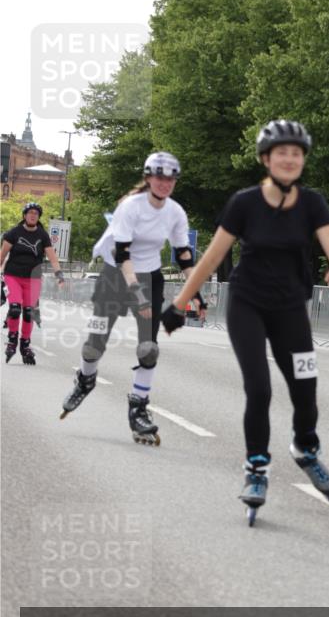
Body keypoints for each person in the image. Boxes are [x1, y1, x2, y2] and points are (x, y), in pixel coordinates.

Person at [161, 119, 329, 521]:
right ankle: (256, 469)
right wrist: (179, 304)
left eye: (296, 153)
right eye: (282, 153)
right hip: (247, 305)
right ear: (266, 158)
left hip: (291, 309)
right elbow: (212, 258)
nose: (289, 159)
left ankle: (305, 448)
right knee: (259, 389)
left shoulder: (312, 203)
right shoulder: (244, 203)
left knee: (306, 388)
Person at [60, 152, 203, 445]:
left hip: (150, 276)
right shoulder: (131, 207)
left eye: (171, 179)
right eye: (159, 178)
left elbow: (183, 255)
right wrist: (137, 293)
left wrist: (196, 292)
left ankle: (138, 408)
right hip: (116, 275)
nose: (165, 183)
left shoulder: (175, 212)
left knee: (148, 348)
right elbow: (121, 253)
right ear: (148, 178)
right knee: (93, 345)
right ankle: (85, 379)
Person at [1, 202, 65, 365]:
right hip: (13, 276)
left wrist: (59, 274)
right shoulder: (14, 233)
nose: (33, 215)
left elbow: (52, 257)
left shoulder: (43, 235)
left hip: (33, 278)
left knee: (29, 312)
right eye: (30, 213)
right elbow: (2, 255)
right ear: (24, 215)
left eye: (36, 213)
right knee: (15, 308)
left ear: (38, 217)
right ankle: (12, 340)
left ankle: (25, 344)